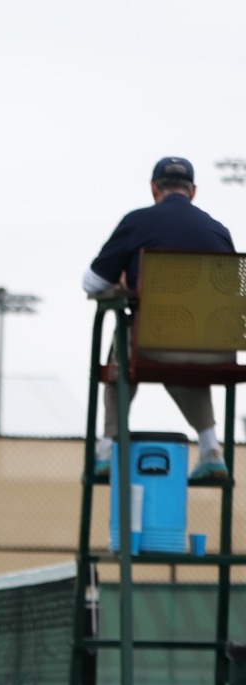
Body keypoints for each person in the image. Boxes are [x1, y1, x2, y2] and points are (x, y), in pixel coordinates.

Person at [84, 156, 236, 481]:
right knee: (185, 352)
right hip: (216, 350)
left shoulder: (138, 222)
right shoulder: (220, 231)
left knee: (122, 349)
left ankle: (107, 448)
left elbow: (91, 283)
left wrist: (123, 284)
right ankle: (211, 450)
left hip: (152, 344)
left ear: (154, 189)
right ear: (192, 192)